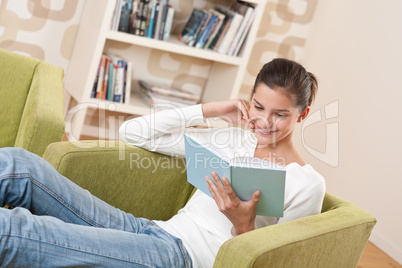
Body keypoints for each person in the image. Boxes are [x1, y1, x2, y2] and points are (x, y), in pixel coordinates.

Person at [0, 58, 325, 267]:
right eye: (258, 107)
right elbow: (132, 133)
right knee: (23, 167)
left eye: (280, 114)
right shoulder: (237, 139)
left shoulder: (306, 185)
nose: (264, 122)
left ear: (303, 114)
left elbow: (274, 264)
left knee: (15, 230)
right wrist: (209, 110)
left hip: (180, 258)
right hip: (152, 230)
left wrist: (242, 226)